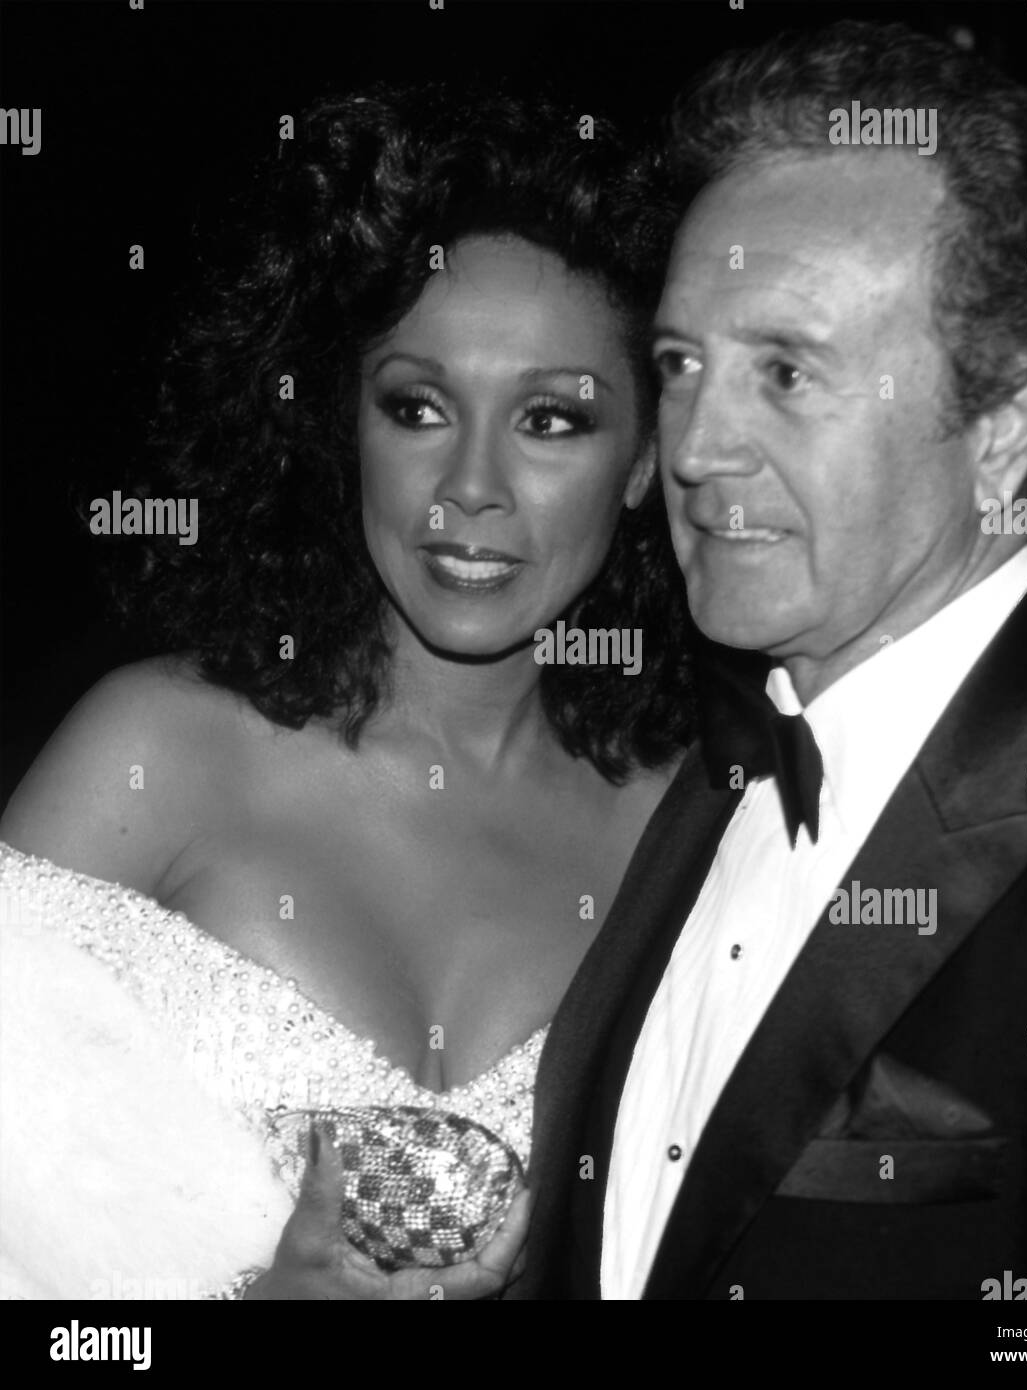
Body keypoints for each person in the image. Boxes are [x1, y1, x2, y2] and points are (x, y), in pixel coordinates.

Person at [0, 81, 696, 1300]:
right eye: (417, 406)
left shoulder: (685, 832)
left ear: (643, 462)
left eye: (550, 419)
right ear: (344, 423)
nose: (470, 484)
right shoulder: (154, 754)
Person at [520, 20, 1027, 1300]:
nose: (697, 445)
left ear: (1001, 429)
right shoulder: (707, 767)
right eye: (680, 364)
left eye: (785, 371)